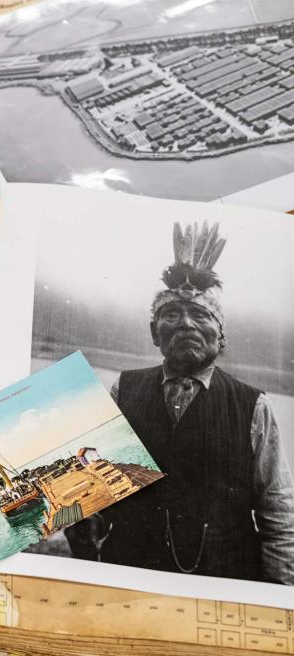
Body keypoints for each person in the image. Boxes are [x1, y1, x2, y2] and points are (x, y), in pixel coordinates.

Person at [65, 222, 294, 584]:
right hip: (129, 573)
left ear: (222, 338)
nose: (186, 323)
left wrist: (281, 598)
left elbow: (279, 513)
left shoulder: (254, 407)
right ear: (155, 333)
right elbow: (94, 486)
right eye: (171, 315)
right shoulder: (122, 390)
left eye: (201, 315)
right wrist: (84, 522)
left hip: (224, 580)